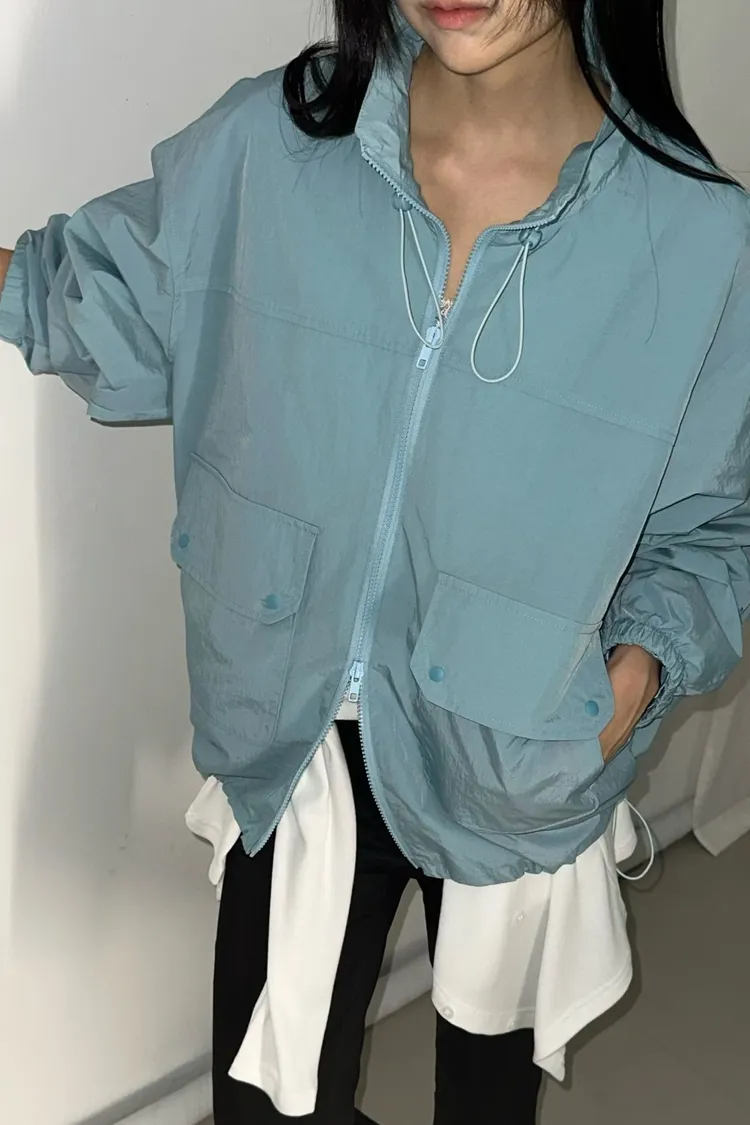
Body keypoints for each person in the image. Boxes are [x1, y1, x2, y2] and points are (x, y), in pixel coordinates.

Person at [2, 1, 749, 1122]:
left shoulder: (694, 237)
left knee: (485, 1102)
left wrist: (631, 679)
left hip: (519, 748)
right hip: (297, 743)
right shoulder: (277, 143)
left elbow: (716, 527)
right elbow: (113, 291)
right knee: (263, 1101)